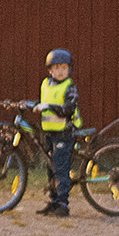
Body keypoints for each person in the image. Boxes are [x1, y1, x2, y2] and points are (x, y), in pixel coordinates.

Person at [33, 48, 83, 217]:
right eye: (57, 68)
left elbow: (68, 109)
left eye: (64, 68)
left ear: (69, 69)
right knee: (51, 169)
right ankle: (53, 200)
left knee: (61, 169)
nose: (61, 72)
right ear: (50, 70)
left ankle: (63, 203)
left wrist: (48, 107)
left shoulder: (70, 88)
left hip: (64, 133)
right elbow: (44, 102)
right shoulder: (45, 85)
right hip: (49, 133)